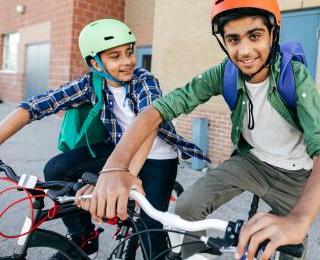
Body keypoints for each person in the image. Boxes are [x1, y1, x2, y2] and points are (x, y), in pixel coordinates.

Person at [76, 0, 320, 260]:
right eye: (233, 39)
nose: (244, 51)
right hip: (252, 162)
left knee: (286, 245)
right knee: (186, 210)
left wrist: (300, 218)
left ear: (272, 34)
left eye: (255, 36)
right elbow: (159, 109)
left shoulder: (294, 76)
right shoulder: (225, 73)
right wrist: (115, 168)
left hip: (296, 176)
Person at [0, 19, 206, 260]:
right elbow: (35, 107)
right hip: (118, 148)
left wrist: (121, 177)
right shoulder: (90, 83)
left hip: (157, 158)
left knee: (150, 229)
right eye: (115, 56)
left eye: (129, 52)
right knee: (56, 169)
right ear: (95, 63)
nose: (128, 61)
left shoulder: (144, 81)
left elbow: (148, 124)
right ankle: (84, 237)